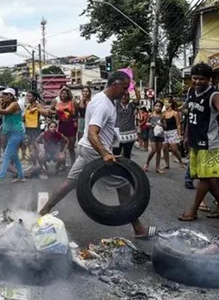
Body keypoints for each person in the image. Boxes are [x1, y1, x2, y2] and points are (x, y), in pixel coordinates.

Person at [38, 71, 156, 239]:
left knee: (70, 183)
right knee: (123, 185)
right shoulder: (102, 104)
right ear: (114, 84)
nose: (126, 92)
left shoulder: (105, 100)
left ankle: (43, 211)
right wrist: (105, 154)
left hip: (86, 147)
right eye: (124, 88)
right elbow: (94, 133)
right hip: (94, 149)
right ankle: (139, 229)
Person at [179, 62, 219, 221]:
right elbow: (188, 113)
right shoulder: (191, 91)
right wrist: (186, 135)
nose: (198, 82)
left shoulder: (214, 95)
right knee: (202, 175)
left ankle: (193, 211)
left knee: (204, 178)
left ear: (209, 79)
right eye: (195, 78)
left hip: (209, 143)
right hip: (194, 140)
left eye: (202, 79)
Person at [0, 88, 26, 187]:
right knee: (14, 157)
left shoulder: (14, 104)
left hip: (17, 133)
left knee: (6, 156)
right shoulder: (6, 103)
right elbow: (0, 112)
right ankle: (21, 176)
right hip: (10, 132)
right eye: (3, 94)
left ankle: (0, 178)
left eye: (7, 94)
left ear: (12, 96)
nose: (4, 96)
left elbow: (5, 112)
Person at [113, 85, 140, 159]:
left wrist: (134, 87)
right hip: (117, 134)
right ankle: (116, 170)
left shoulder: (131, 105)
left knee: (127, 155)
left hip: (130, 134)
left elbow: (138, 98)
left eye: (126, 95)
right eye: (122, 95)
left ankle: (126, 170)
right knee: (115, 154)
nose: (124, 97)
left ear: (129, 97)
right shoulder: (116, 104)